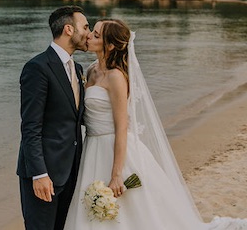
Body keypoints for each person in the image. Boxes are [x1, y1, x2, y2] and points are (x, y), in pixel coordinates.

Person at [64, 18, 247, 229]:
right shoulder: (91, 70)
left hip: (115, 148)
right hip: (92, 147)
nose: (88, 36)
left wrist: (116, 175)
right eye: (91, 32)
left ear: (111, 45)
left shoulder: (116, 77)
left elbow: (122, 126)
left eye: (95, 35)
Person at [18, 6, 90, 230]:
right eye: (85, 27)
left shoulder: (77, 68)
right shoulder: (37, 67)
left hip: (72, 170)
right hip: (45, 173)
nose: (88, 33)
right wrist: (39, 174)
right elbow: (30, 126)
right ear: (69, 29)